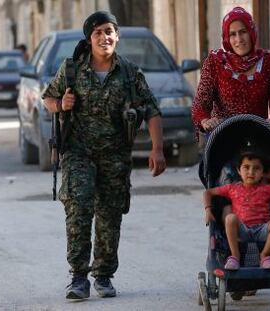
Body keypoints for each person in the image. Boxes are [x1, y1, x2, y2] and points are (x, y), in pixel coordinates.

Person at [42, 11, 166, 300]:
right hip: (78, 152)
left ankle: (104, 275)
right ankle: (78, 277)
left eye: (109, 31)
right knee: (78, 210)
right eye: (98, 32)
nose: (104, 37)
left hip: (115, 155)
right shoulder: (72, 69)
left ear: (117, 36)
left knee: (110, 215)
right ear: (90, 38)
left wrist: (157, 148)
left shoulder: (130, 73)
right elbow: (48, 99)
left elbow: (152, 110)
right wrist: (61, 103)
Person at [191, 6, 270, 140]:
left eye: (243, 32)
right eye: (232, 34)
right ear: (226, 38)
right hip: (223, 139)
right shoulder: (215, 62)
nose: (239, 39)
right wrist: (205, 121)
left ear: (252, 33)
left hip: (258, 139)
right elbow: (201, 103)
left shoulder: (268, 62)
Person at [204, 150, 270, 270]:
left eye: (256, 168)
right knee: (230, 218)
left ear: (262, 173)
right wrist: (208, 210)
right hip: (242, 230)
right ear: (239, 170)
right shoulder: (232, 188)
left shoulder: (268, 189)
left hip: (262, 229)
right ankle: (235, 256)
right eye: (246, 167)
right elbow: (208, 193)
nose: (251, 172)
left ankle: (264, 255)